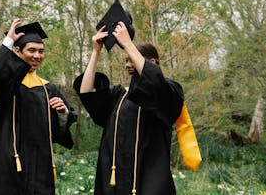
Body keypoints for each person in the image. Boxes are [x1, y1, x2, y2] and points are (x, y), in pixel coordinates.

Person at [73, 21, 184, 195]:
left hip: (149, 182)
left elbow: (154, 81)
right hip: (114, 180)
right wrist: (96, 51)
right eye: (126, 60)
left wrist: (127, 44)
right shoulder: (119, 95)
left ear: (152, 62)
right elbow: (87, 93)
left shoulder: (169, 91)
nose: (127, 65)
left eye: (131, 59)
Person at [0, 19, 77, 195]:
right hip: (8, 161)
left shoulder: (48, 88)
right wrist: (8, 40)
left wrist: (62, 113)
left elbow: (58, 133)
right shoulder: (6, 83)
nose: (37, 56)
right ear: (17, 51)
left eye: (41, 51)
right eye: (31, 50)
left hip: (39, 166)